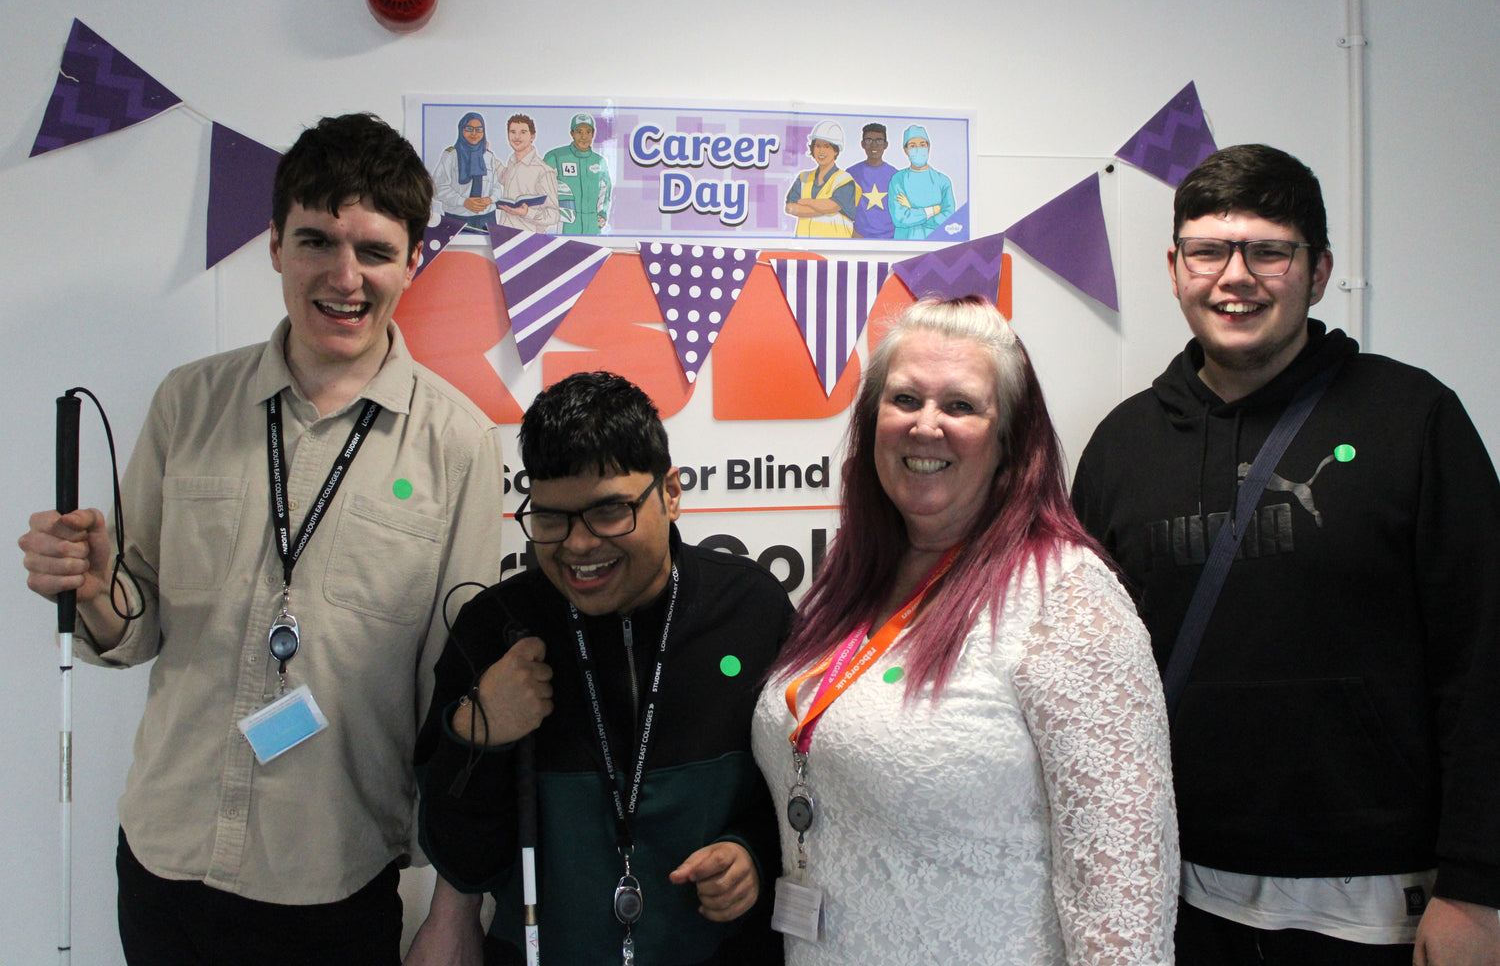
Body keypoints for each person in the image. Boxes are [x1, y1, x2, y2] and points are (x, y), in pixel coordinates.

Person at [16, 112, 506, 965]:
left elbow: (451, 683)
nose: (344, 277)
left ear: (412, 263)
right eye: (316, 241)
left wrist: (454, 901)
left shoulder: (457, 444)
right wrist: (95, 593)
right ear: (276, 245)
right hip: (167, 858)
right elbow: (136, 623)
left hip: (335, 875)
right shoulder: (188, 404)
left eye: (375, 251)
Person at [1070, 143, 1500, 965]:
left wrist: (1478, 888)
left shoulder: (1413, 420)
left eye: (1269, 249)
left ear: (1318, 269)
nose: (1236, 276)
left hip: (1380, 904)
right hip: (1176, 893)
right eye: (1209, 250)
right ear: (1175, 267)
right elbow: (1087, 683)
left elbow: (1485, 657)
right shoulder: (1121, 446)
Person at [751, 296, 1178, 965]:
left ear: (1010, 441)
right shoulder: (853, 580)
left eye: (960, 406)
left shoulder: (1065, 598)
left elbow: (1123, 895)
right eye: (904, 400)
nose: (926, 426)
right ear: (871, 426)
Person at [412, 371, 791, 965]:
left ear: (669, 493)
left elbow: (800, 794)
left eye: (610, 511)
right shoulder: (495, 629)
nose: (578, 545)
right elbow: (462, 862)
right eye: (551, 519)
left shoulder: (750, 608)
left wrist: (752, 852)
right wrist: (479, 731)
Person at [432, 111, 503, 231]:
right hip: (457, 217)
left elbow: (497, 187)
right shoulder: (450, 155)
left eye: (479, 129)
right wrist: (463, 202)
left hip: (487, 217)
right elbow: (437, 188)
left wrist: (489, 200)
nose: (474, 133)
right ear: (461, 129)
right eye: (469, 128)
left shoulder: (488, 156)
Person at [543, 111, 612, 235]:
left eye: (588, 132)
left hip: (592, 223)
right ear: (572, 133)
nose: (584, 136)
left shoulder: (599, 161)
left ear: (593, 134)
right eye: (579, 131)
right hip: (566, 221)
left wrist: (602, 214)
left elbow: (605, 190)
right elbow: (541, 184)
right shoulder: (557, 156)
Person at [784, 119, 856, 238]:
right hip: (805, 248)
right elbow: (790, 208)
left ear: (836, 151)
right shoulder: (803, 177)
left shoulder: (844, 179)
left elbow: (832, 206)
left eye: (827, 146)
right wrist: (824, 208)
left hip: (834, 249)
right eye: (817, 146)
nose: (821, 151)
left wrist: (805, 201)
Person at [494, 113, 562, 234]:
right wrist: (488, 155)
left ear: (532, 136)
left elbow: (554, 215)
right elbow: (503, 176)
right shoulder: (512, 162)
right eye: (513, 132)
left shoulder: (544, 171)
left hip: (529, 241)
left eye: (523, 132)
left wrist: (527, 213)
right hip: (504, 235)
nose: (516, 137)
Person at [888, 124, 955, 240]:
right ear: (906, 150)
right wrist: (932, 210)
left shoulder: (942, 180)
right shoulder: (898, 180)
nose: (918, 149)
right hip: (904, 244)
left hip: (935, 244)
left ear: (928, 147)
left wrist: (913, 211)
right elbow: (900, 218)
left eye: (922, 145)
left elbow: (948, 217)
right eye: (912, 146)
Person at [845, 122, 896, 240]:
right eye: (869, 140)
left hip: (891, 241)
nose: (874, 145)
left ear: (885, 145)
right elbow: (842, 211)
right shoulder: (850, 174)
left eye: (879, 141)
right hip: (859, 240)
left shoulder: (896, 176)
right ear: (862, 144)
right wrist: (854, 235)